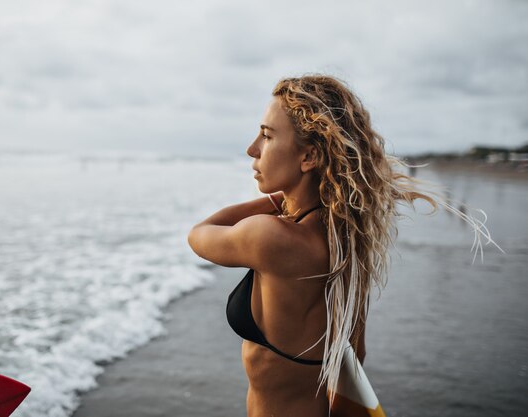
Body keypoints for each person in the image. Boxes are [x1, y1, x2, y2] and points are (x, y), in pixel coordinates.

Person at [187, 75, 496, 416]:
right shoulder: (347, 241)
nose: (252, 148)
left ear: (309, 156)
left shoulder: (271, 238)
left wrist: (277, 199)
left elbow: (200, 234)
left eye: (267, 135)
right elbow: (355, 352)